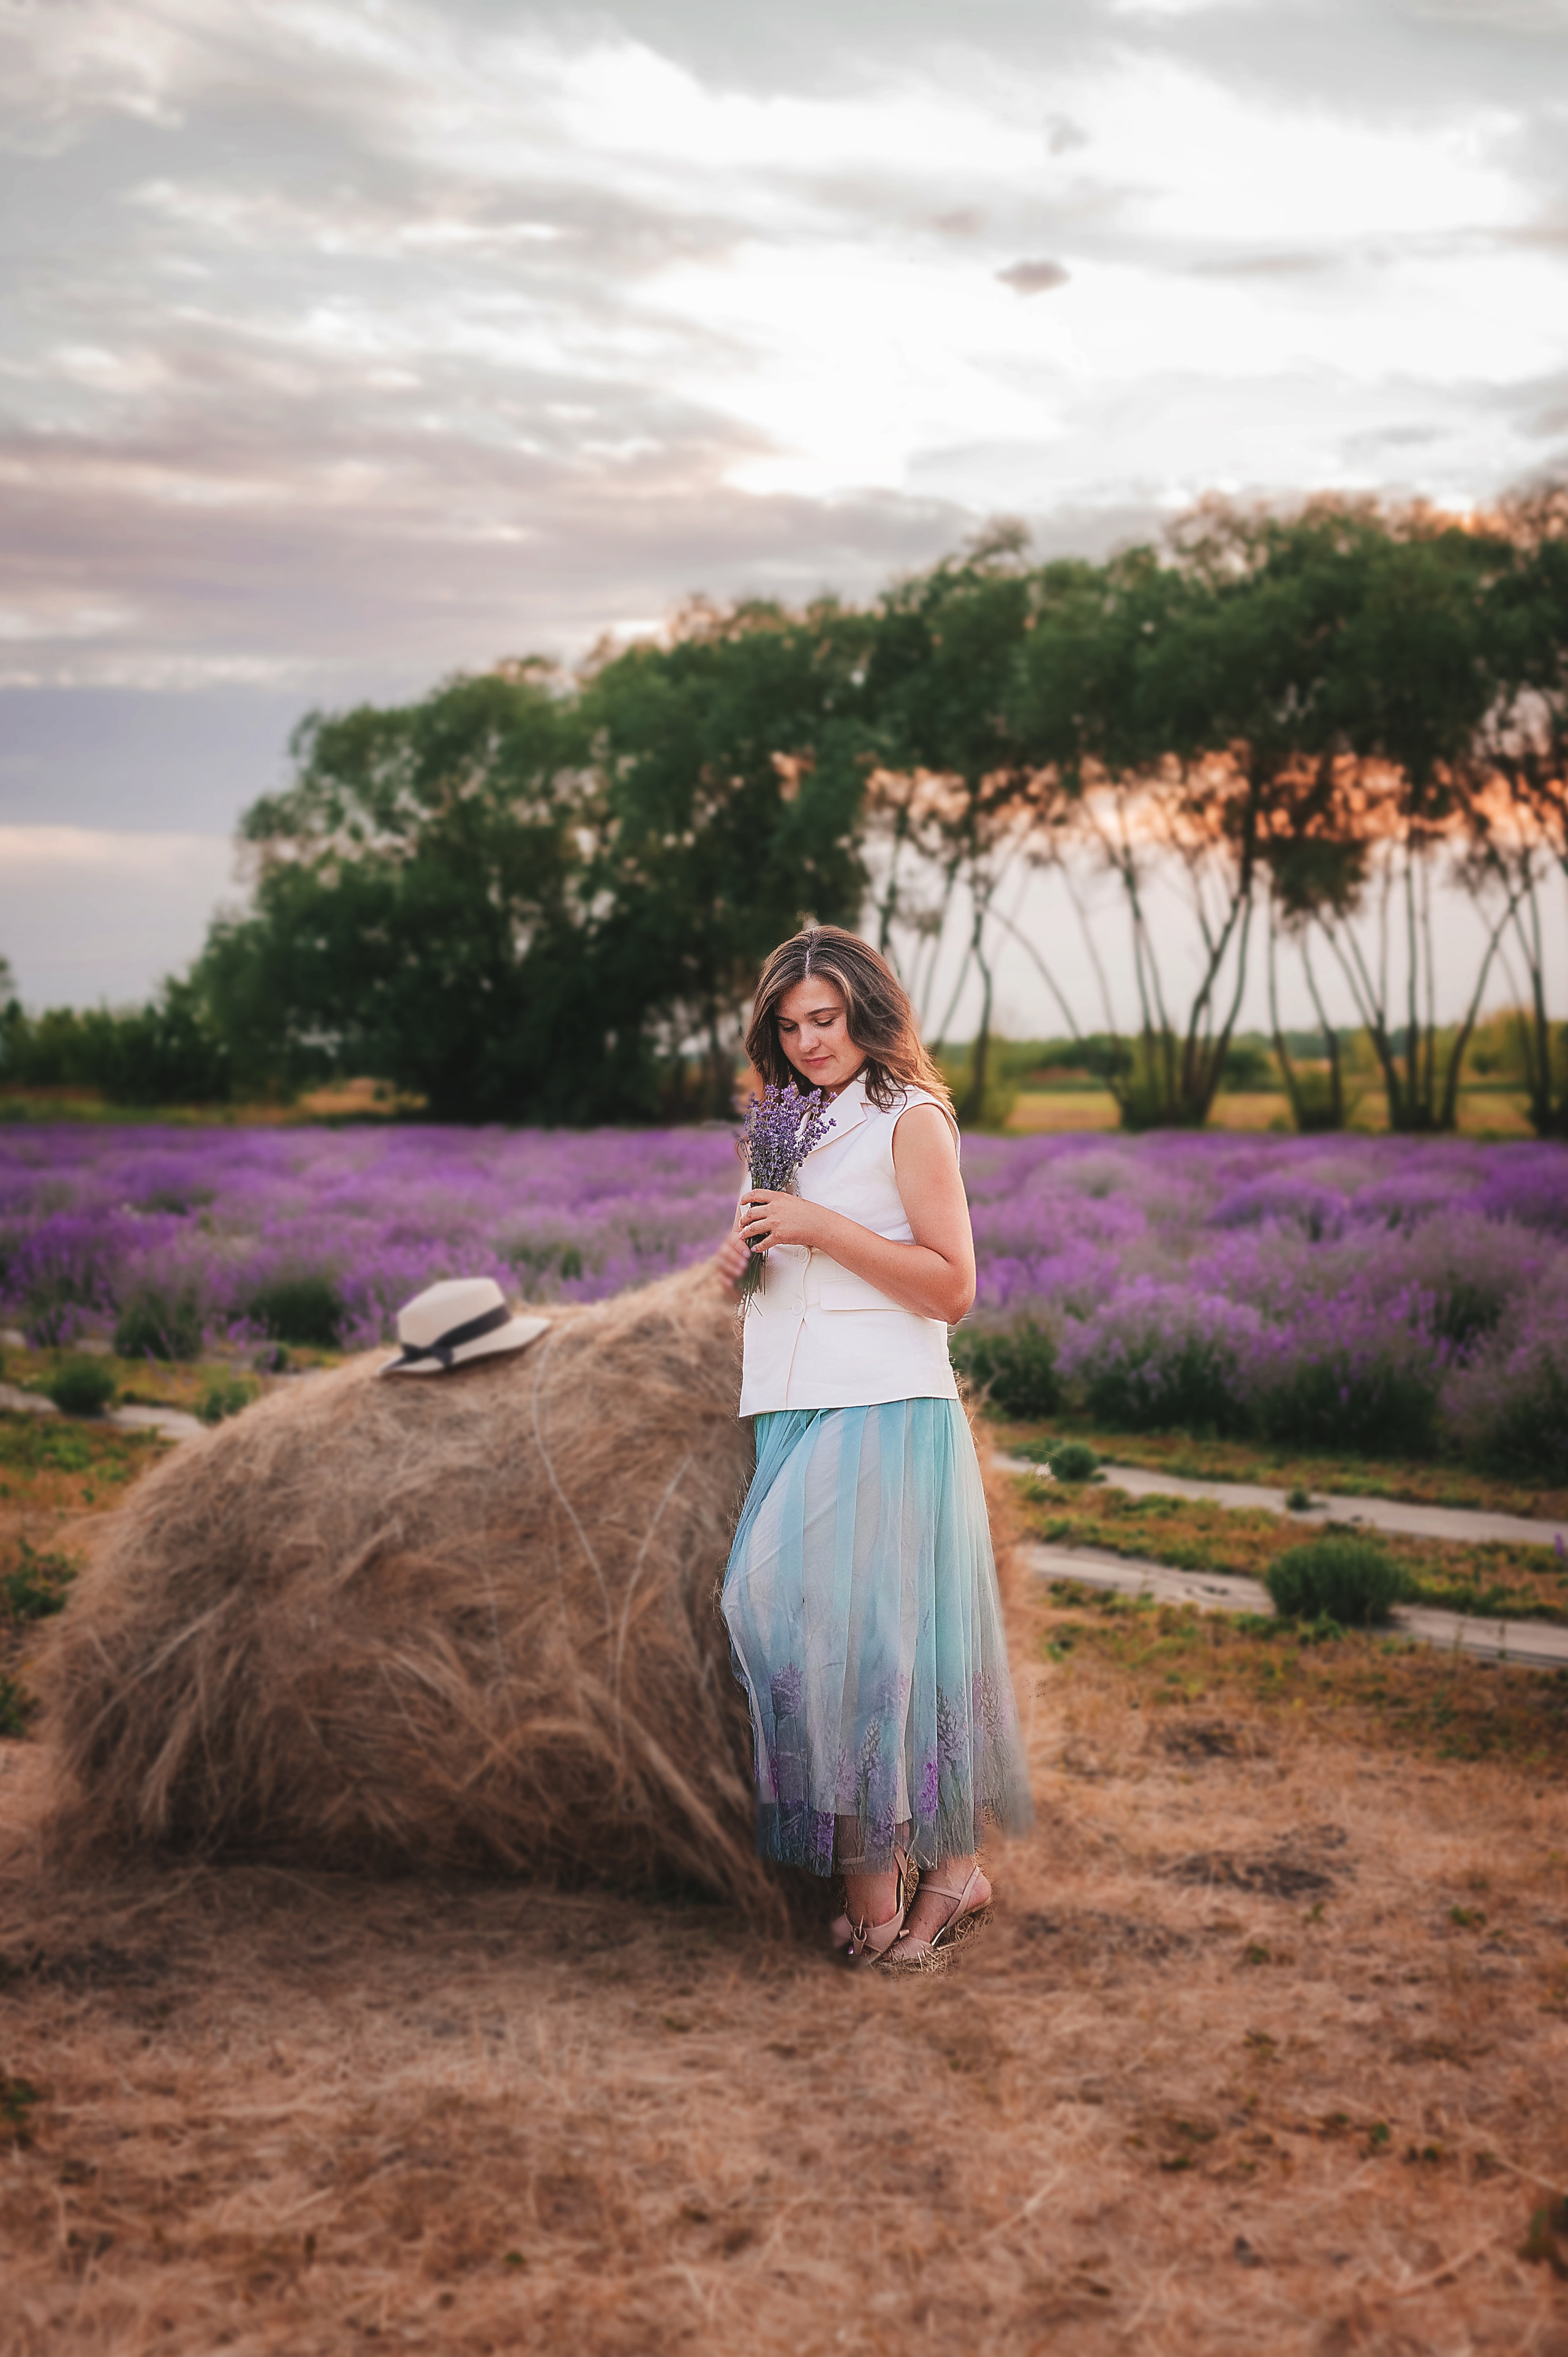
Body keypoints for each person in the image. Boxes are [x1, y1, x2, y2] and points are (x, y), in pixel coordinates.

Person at [714, 925, 1031, 1963]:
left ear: (868, 1012)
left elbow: (954, 1286)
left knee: (873, 1651)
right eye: (790, 1024)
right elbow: (788, 1263)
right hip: (794, 1404)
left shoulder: (912, 1118)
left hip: (886, 1403)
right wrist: (744, 1254)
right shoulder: (783, 1125)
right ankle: (902, 1882)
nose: (809, 1041)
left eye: (827, 1019)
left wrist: (817, 1229)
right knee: (808, 1637)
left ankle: (922, 1883)